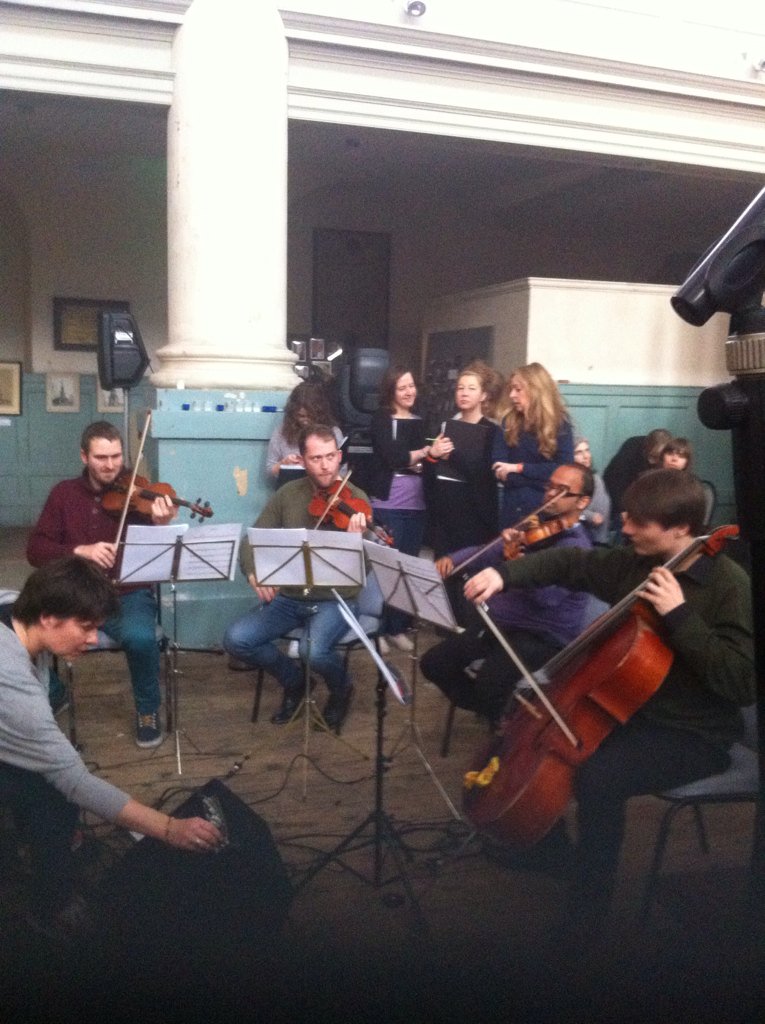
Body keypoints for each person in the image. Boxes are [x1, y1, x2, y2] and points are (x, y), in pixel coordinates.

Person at [463, 469, 754, 938]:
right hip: (631, 712)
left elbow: (741, 684)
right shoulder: (635, 565)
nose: (628, 530)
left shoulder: (727, 583)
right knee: (549, 732)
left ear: (680, 528)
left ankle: (589, 909)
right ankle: (552, 848)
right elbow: (569, 565)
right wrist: (503, 572)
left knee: (597, 776)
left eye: (641, 523)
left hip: (695, 733)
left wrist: (680, 616)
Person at [0, 557, 222, 937]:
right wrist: (168, 828)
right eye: (86, 628)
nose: (92, 640)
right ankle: (48, 908)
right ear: (49, 618)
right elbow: (74, 780)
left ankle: (44, 849)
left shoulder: (15, 604)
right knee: (55, 795)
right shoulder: (12, 682)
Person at [26, 421, 177, 749]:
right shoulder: (63, 494)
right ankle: (54, 690)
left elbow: (160, 552)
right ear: (84, 456)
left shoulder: (139, 498)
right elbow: (35, 550)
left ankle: (148, 710)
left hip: (126, 592)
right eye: (101, 457)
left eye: (116, 456)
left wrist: (160, 523)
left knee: (140, 638)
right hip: (76, 594)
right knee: (26, 626)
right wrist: (80, 550)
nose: (110, 465)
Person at [420, 463, 594, 725]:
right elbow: (488, 551)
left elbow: (545, 599)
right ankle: (500, 711)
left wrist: (513, 565)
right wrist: (452, 561)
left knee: (490, 683)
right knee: (434, 663)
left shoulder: (576, 550)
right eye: (550, 486)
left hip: (542, 636)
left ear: (582, 502)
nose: (549, 494)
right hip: (501, 625)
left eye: (562, 491)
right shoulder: (533, 527)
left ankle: (496, 712)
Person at [224, 424, 368, 732]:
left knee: (312, 650)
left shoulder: (355, 498)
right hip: (290, 597)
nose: (326, 465)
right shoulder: (288, 495)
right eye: (316, 458)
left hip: (336, 599)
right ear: (302, 460)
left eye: (331, 456)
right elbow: (252, 540)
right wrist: (254, 574)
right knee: (237, 640)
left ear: (339, 456)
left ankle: (342, 689)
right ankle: (295, 682)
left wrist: (356, 543)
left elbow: (365, 568)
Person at [367, 366, 451, 651]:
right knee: (386, 567)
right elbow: (392, 457)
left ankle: (397, 626)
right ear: (391, 391)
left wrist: (416, 458)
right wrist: (425, 453)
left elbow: (418, 463)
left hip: (417, 503)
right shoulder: (380, 418)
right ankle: (376, 629)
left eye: (411, 385)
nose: (409, 391)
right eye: (402, 387)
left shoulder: (420, 420)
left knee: (407, 566)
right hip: (388, 502)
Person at [426, 365, 503, 559]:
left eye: (471, 388)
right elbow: (431, 477)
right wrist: (432, 456)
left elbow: (485, 473)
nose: (464, 393)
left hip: (475, 516)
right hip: (446, 516)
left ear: (483, 395)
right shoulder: (446, 427)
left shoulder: (492, 431)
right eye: (460, 388)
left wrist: (452, 456)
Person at [491, 362, 574, 528]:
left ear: (535, 390)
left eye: (518, 389)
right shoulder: (508, 422)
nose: (512, 395)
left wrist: (519, 468)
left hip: (545, 511)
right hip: (512, 509)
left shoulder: (560, 424)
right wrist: (541, 480)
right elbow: (499, 467)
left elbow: (563, 470)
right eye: (511, 390)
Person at [265, 380, 344, 484]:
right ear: (293, 413)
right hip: (292, 491)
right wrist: (283, 464)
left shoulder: (334, 432)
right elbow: (269, 470)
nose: (305, 420)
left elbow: (343, 471)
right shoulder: (281, 432)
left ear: (319, 413)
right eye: (301, 416)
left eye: (310, 416)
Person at [602, 427, 671, 519]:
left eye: (657, 458)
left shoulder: (669, 457)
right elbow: (614, 479)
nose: (652, 462)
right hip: (620, 491)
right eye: (651, 456)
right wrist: (621, 509)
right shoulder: (632, 448)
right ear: (646, 448)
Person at [573, 436, 611, 545]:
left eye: (587, 450)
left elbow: (599, 518)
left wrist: (588, 516)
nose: (586, 456)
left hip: (597, 539)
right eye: (579, 452)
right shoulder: (575, 480)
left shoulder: (594, 479)